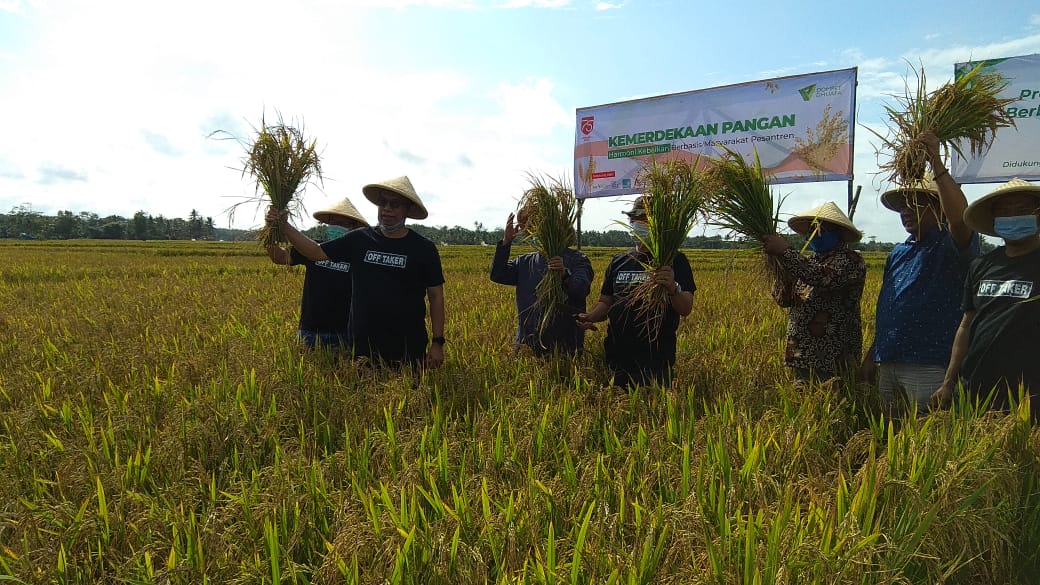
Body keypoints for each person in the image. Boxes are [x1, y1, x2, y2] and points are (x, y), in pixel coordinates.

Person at [268, 176, 446, 369]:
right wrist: (284, 226)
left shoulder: (424, 249)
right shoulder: (360, 240)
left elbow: (436, 296)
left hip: (408, 347)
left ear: (408, 210)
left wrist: (438, 342)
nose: (387, 208)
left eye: (395, 204)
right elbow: (315, 252)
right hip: (361, 348)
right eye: (382, 202)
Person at [862, 132, 980, 414]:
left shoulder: (952, 245)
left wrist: (935, 161)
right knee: (890, 441)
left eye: (917, 203)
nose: (906, 211)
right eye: (903, 205)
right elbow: (888, 308)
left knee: (925, 444)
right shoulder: (898, 253)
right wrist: (871, 355)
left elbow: (960, 218)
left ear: (939, 208)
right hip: (890, 361)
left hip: (930, 364)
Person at [932, 178, 1040, 420]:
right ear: (994, 220)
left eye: (1022, 210)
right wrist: (949, 382)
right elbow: (966, 324)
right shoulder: (982, 265)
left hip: (1029, 397)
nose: (1013, 217)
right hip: (975, 389)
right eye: (1004, 212)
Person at [576, 197, 695, 388]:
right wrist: (591, 316)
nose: (639, 224)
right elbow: (606, 302)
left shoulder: (673, 260)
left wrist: (672, 287)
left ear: (657, 224)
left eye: (645, 220)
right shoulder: (619, 261)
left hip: (656, 360)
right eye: (635, 219)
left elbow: (686, 307)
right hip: (617, 356)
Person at [763, 201, 866, 384]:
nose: (812, 236)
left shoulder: (851, 261)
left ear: (837, 232)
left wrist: (785, 252)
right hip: (801, 353)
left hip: (833, 356)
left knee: (835, 406)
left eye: (819, 230)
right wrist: (780, 269)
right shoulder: (808, 262)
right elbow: (784, 299)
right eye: (810, 231)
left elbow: (821, 278)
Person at [266, 198, 369, 350]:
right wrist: (270, 229)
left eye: (342, 224)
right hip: (310, 331)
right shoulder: (312, 247)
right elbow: (279, 257)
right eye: (333, 222)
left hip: (344, 333)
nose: (335, 227)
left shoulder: (359, 254)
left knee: (343, 374)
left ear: (354, 228)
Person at [489, 208, 593, 356]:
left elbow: (581, 289)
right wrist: (506, 242)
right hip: (527, 345)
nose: (535, 233)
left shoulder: (577, 259)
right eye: (531, 229)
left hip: (565, 347)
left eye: (539, 228)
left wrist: (564, 274)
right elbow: (497, 275)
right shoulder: (525, 262)